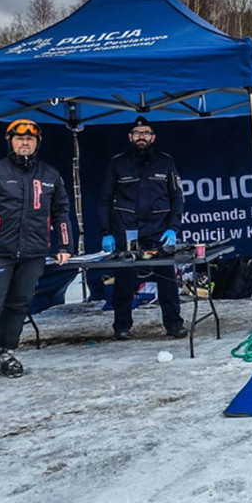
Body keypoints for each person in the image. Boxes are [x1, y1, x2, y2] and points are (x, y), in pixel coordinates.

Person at [0, 119, 72, 389]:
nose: (24, 142)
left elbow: (61, 213)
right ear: (10, 141)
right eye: (19, 138)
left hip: (33, 254)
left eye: (30, 139)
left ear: (37, 143)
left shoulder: (50, 175)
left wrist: (65, 246)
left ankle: (3, 354)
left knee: (18, 305)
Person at [99, 116, 187, 341]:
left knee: (167, 280)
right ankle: (122, 326)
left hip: (158, 232)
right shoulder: (117, 163)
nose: (142, 137)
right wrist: (106, 232)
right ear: (130, 137)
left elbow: (177, 198)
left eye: (146, 133)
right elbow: (105, 200)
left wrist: (173, 229)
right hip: (126, 232)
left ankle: (174, 324)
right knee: (124, 283)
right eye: (137, 133)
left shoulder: (165, 162)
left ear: (153, 137)